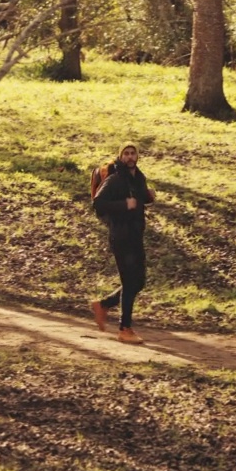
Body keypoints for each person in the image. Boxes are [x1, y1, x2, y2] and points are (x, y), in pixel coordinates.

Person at [89, 143, 155, 344]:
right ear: (121, 157)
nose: (129, 157)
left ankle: (104, 304)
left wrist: (149, 197)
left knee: (139, 281)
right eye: (125, 154)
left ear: (137, 156)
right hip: (121, 236)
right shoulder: (115, 179)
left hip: (135, 235)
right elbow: (98, 203)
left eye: (132, 153)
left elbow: (140, 199)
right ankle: (125, 328)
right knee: (129, 281)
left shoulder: (138, 178)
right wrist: (124, 205)